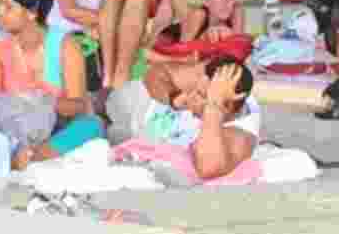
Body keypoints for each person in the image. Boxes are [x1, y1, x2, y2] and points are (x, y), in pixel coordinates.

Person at [0, 0, 105, 170]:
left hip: (56, 129)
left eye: (8, 7)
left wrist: (45, 103)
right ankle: (30, 158)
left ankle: (30, 158)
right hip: (11, 129)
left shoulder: (66, 46)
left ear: (31, 13)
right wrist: (23, 104)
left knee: (91, 126)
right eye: (0, 5)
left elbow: (79, 106)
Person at [104, 57, 260, 180]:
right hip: (128, 104)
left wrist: (213, 106)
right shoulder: (208, 78)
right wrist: (173, 97)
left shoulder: (242, 134)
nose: (191, 95)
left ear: (226, 108)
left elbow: (208, 169)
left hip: (129, 137)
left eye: (201, 95)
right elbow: (157, 72)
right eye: (196, 89)